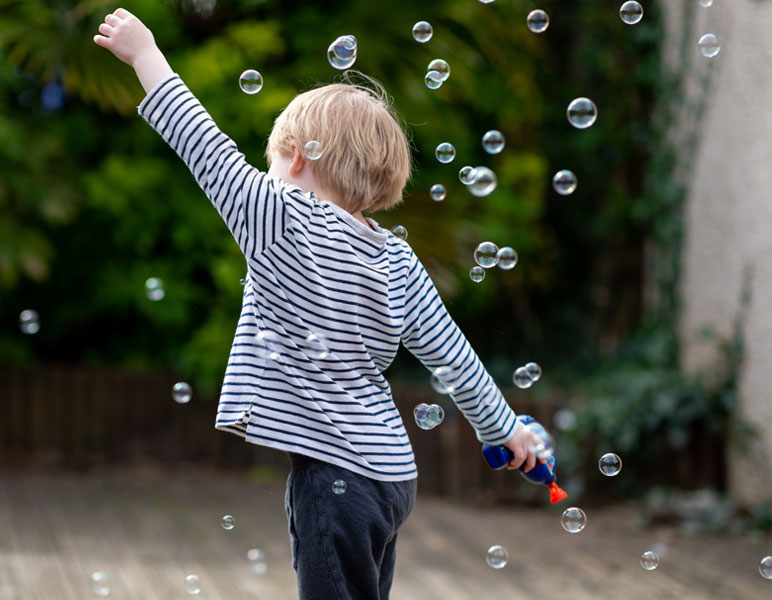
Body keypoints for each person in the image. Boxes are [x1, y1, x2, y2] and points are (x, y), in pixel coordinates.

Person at [94, 9, 544, 599]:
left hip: (332, 478)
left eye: (273, 161)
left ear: (298, 159)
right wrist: (504, 429)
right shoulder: (397, 259)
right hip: (389, 478)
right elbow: (453, 358)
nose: (264, 175)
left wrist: (146, 53)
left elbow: (201, 143)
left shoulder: (280, 218)